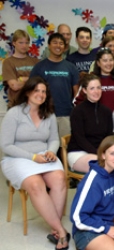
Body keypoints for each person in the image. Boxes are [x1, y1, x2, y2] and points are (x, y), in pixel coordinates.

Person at [1, 76, 69, 250]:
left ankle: (54, 227)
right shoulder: (14, 113)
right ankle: (60, 230)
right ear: (28, 91)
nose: (40, 94)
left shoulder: (49, 114)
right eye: (36, 90)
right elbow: (5, 145)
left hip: (43, 156)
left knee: (60, 178)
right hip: (18, 158)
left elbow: (54, 139)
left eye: (44, 91)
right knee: (36, 184)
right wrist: (32, 157)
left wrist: (51, 152)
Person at [30, 33, 79, 139]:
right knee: (45, 146)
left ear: (65, 47)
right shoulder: (39, 67)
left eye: (61, 43)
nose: (58, 46)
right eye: (55, 43)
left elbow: (77, 92)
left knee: (65, 146)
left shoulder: (71, 67)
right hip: (44, 113)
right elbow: (31, 91)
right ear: (49, 45)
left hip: (65, 113)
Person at [68, 74, 114, 173]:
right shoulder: (78, 111)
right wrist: (99, 153)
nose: (96, 91)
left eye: (98, 87)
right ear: (84, 90)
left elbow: (109, 137)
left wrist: (107, 152)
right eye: (92, 88)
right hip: (79, 152)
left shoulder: (107, 111)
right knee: (104, 166)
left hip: (102, 153)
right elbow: (80, 139)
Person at [2, 29, 39, 107]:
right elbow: (15, 86)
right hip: (16, 106)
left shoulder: (36, 61)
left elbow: (40, 83)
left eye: (26, 43)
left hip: (34, 106)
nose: (24, 46)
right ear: (14, 43)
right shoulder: (8, 62)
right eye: (21, 43)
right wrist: (32, 80)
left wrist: (23, 79)